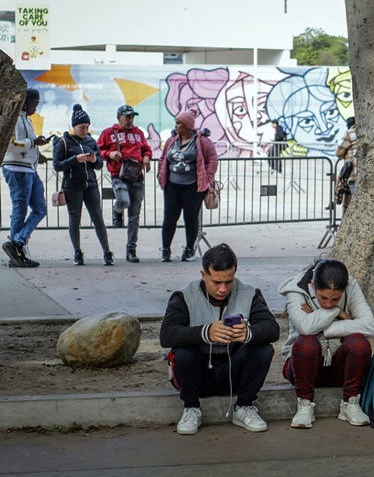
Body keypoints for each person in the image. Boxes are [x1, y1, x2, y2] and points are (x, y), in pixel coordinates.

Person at [160, 243, 280, 435]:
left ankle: (244, 406)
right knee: (182, 353)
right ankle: (191, 408)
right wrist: (205, 333)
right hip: (198, 373)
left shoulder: (249, 293)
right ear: (203, 275)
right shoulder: (184, 296)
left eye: (228, 281)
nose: (223, 289)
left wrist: (248, 333)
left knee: (263, 349)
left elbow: (272, 329)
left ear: (235, 273)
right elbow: (166, 335)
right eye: (216, 282)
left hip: (234, 372)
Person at [278, 259, 374, 429]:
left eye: (335, 299)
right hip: (301, 367)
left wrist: (319, 322)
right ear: (313, 285)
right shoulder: (297, 288)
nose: (328, 304)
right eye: (323, 298)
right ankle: (305, 405)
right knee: (307, 341)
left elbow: (368, 326)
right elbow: (305, 328)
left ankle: (350, 403)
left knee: (359, 343)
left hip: (339, 367)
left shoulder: (351, 286)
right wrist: (337, 312)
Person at [52, 105, 113, 266]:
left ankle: (107, 251)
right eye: (81, 127)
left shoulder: (91, 141)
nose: (84, 131)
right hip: (72, 186)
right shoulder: (64, 142)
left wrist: (94, 160)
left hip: (91, 184)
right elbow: (57, 165)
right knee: (75, 219)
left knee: (98, 218)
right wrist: (75, 160)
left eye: (87, 127)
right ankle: (77, 252)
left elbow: (99, 164)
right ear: (74, 126)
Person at [158, 108, 219, 262]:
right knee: (169, 217)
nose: (176, 126)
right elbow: (163, 157)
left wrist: (208, 178)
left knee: (190, 218)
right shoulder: (172, 140)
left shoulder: (202, 141)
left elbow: (212, 160)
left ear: (187, 125)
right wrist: (161, 174)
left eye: (179, 123)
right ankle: (165, 250)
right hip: (172, 185)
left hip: (193, 186)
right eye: (176, 122)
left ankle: (189, 250)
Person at [97, 105, 153, 263]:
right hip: (119, 175)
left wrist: (147, 157)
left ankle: (131, 250)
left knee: (134, 216)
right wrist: (109, 154)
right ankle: (117, 211)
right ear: (119, 117)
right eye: (127, 116)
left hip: (137, 176)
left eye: (132, 117)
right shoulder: (108, 133)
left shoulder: (138, 133)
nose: (130, 120)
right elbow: (98, 151)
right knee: (123, 201)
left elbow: (147, 149)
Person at [1, 89, 48, 268]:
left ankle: (17, 243)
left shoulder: (26, 119)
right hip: (17, 169)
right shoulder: (14, 118)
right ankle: (17, 254)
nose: (36, 107)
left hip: (29, 168)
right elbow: (12, 145)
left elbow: (25, 144)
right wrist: (35, 143)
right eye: (34, 103)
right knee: (20, 211)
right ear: (25, 103)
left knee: (40, 209)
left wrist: (37, 154)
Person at [335, 117, 358, 210]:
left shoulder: (350, 133)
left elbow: (339, 152)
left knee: (356, 201)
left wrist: (347, 155)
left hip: (354, 173)